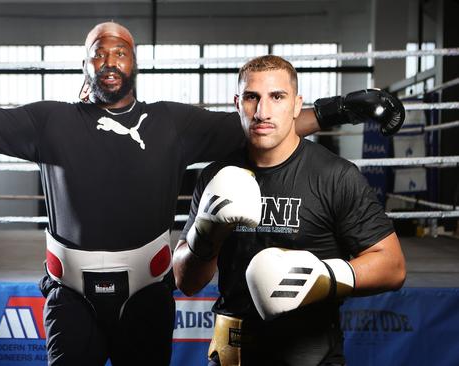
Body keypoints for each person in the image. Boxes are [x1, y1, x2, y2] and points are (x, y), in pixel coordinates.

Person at [0, 23, 405, 366]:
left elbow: (268, 124)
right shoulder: (51, 121)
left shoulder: (173, 121)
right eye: (99, 50)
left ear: (136, 63)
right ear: (86, 62)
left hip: (148, 293)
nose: (110, 58)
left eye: (120, 49)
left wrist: (347, 107)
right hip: (69, 292)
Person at [172, 55, 407, 366]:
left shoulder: (335, 175)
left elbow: (392, 266)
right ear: (237, 103)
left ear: (297, 105)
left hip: (310, 352)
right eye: (251, 97)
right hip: (231, 353)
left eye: (277, 97)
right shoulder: (216, 176)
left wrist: (325, 276)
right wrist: (207, 233)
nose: (262, 111)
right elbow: (186, 282)